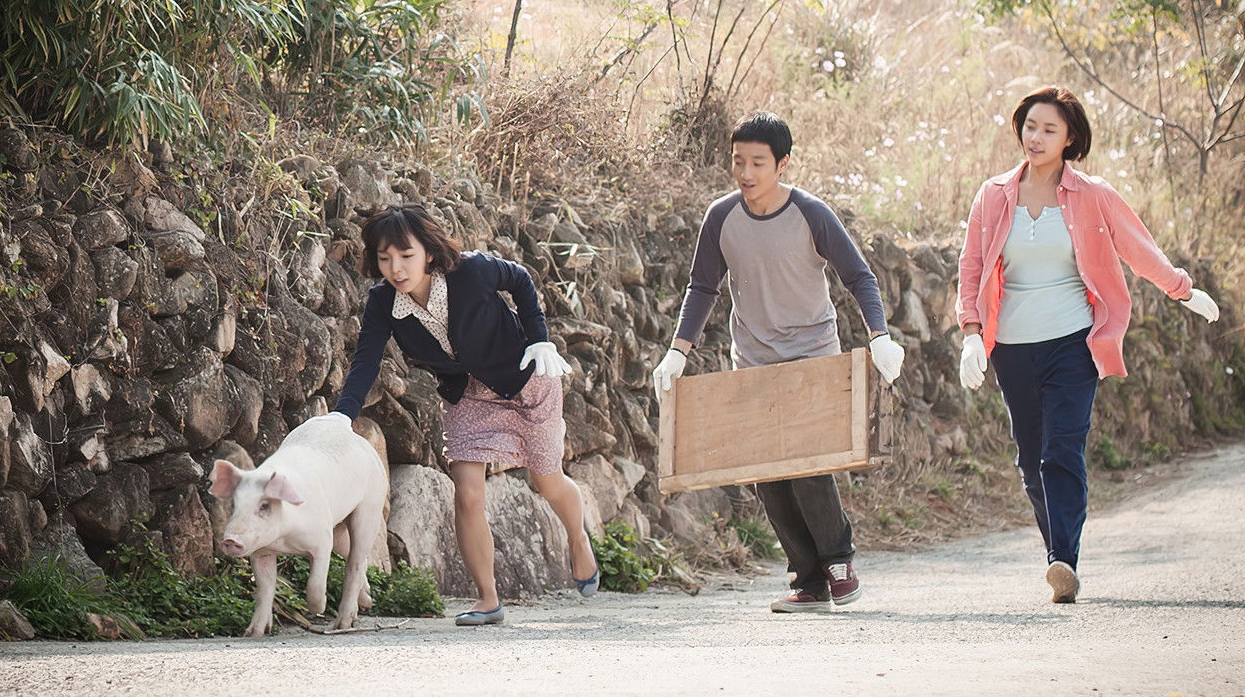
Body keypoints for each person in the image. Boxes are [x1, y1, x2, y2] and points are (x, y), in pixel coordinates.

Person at [955, 86, 1220, 603]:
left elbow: (1138, 249)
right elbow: (971, 267)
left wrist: (1182, 291)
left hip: (1074, 341)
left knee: (1061, 449)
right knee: (1030, 459)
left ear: (1070, 138)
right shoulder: (993, 194)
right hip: (1010, 346)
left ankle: (1063, 560)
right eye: (1030, 126)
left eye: (1049, 129)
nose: (1036, 137)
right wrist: (970, 334)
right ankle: (1057, 552)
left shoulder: (1092, 195)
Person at [653, 111, 906, 613]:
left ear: (783, 164)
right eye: (738, 161)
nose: (746, 173)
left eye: (758, 163)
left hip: (812, 352)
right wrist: (677, 352)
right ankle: (807, 581)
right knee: (766, 471)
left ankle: (839, 560)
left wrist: (880, 336)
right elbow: (702, 287)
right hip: (753, 356)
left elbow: (859, 276)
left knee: (807, 465)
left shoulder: (811, 213)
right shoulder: (721, 216)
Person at [331, 203, 599, 626]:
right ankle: (488, 599)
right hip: (468, 394)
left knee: (546, 481)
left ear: (429, 253)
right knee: (467, 493)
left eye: (405, 256)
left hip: (526, 376)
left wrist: (540, 339)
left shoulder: (471, 271)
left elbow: (521, 279)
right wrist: (341, 417)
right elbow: (366, 360)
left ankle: (578, 537)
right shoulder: (383, 303)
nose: (396, 268)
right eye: (384, 259)